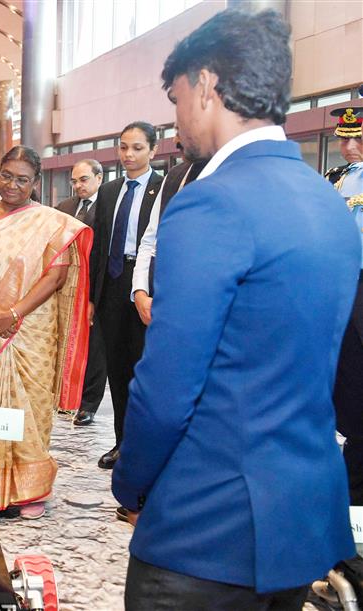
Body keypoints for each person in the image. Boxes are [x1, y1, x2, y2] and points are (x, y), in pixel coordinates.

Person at [112, 10, 359, 609]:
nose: (175, 121)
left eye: (175, 99)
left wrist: (132, 482)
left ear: (205, 85)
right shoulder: (330, 204)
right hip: (298, 520)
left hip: (207, 526)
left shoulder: (211, 205)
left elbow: (168, 386)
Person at [0, 146, 93, 520]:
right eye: (6, 176)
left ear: (35, 182)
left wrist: (12, 313)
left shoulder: (51, 223)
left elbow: (55, 276)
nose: (12, 185)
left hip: (31, 328)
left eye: (22, 179)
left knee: (30, 408)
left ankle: (27, 490)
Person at [90, 123, 163, 468]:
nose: (128, 155)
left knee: (144, 371)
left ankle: (145, 448)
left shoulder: (165, 188)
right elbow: (98, 247)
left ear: (153, 150)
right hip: (113, 284)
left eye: (137, 148)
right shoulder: (108, 191)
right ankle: (121, 443)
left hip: (147, 287)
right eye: (123, 148)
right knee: (117, 371)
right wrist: (92, 297)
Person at [131, 135, 207, 327]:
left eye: (182, 130)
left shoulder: (229, 176)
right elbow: (150, 239)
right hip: (158, 298)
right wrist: (140, 292)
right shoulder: (175, 176)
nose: (176, 140)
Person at [327, 104, 363, 506]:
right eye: (344, 138)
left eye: (357, 138)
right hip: (339, 287)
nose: (349, 146)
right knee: (347, 380)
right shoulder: (335, 179)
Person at [56, 159, 107, 426]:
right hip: (65, 286)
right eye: (74, 181)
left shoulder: (108, 206)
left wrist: (95, 299)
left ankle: (88, 404)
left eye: (84, 180)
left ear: (99, 178)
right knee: (65, 342)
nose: (78, 186)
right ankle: (64, 398)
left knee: (95, 346)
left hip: (95, 287)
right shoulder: (64, 208)